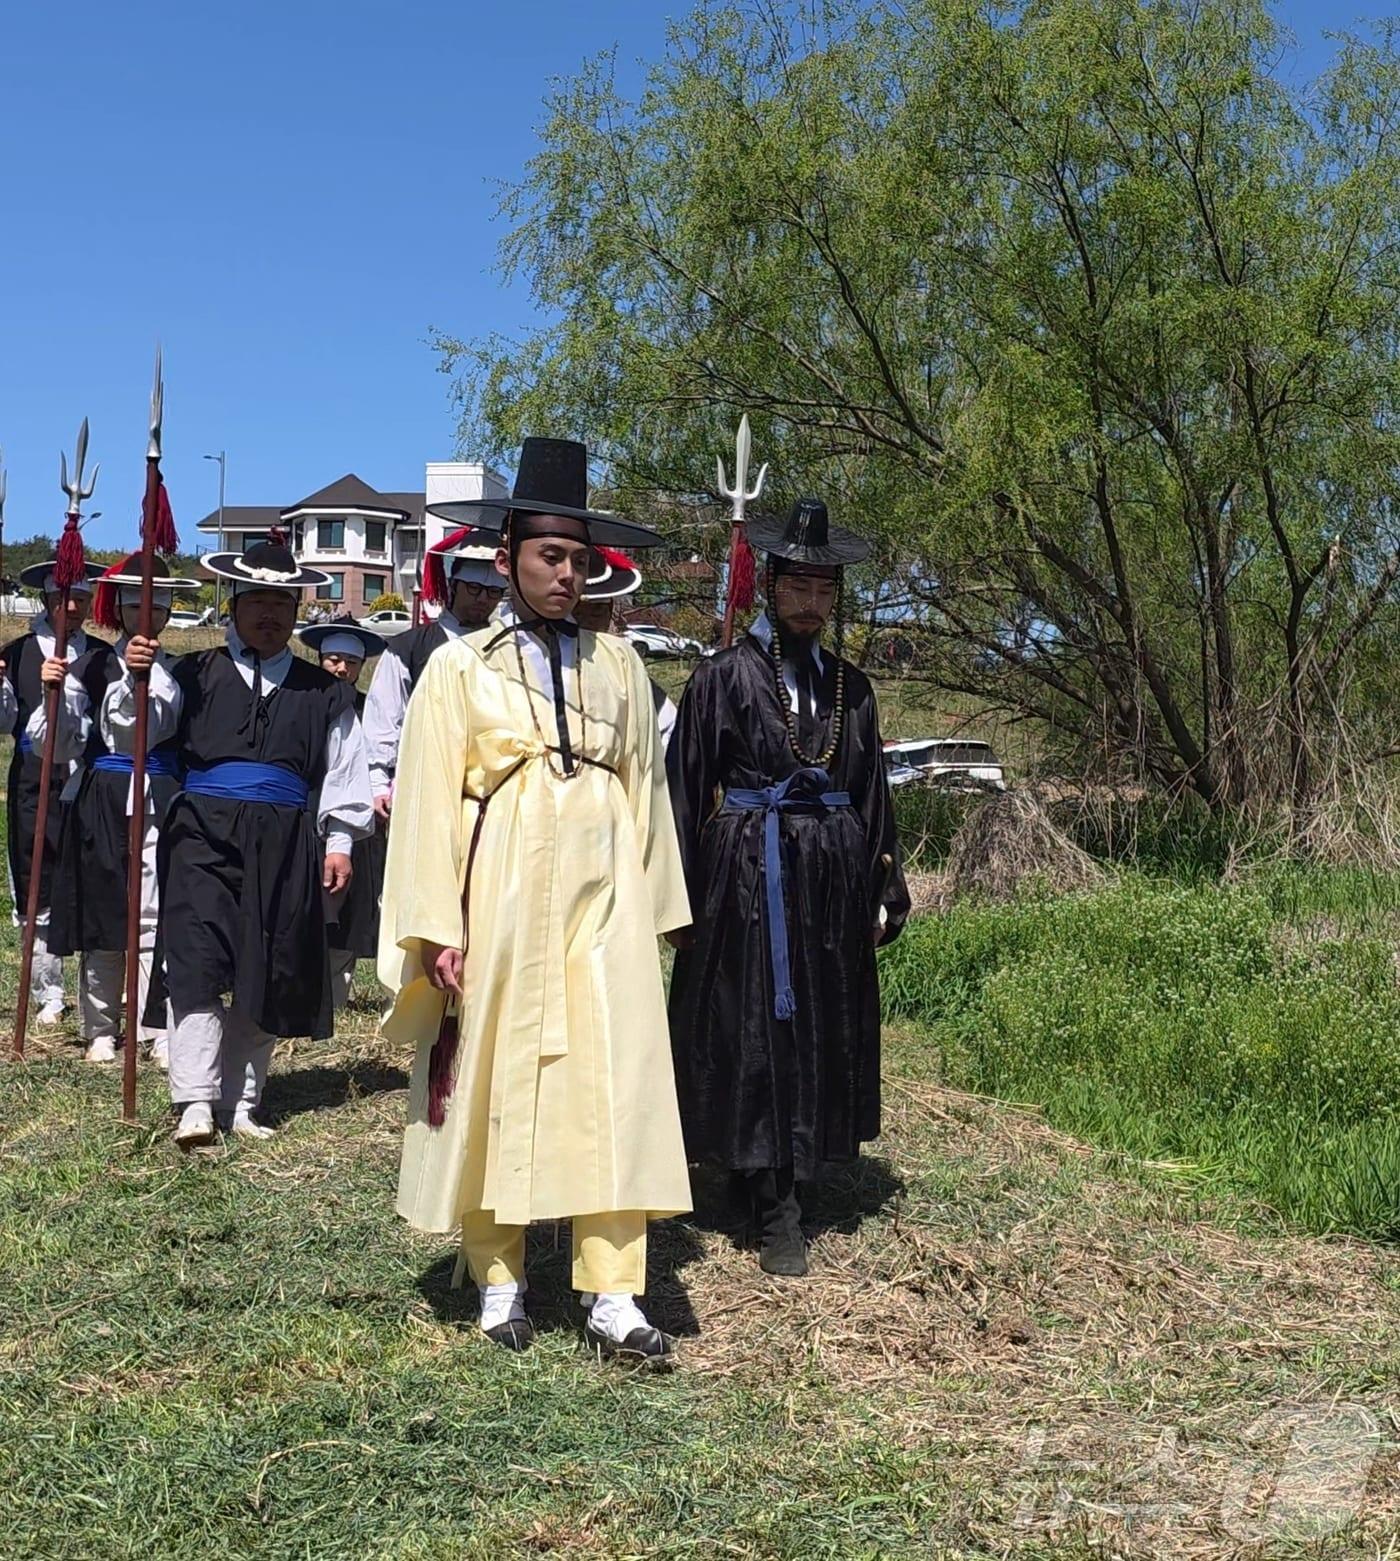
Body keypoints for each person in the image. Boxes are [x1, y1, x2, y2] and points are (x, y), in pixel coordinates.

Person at [380, 437, 692, 1362]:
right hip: (502, 892)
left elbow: (647, 787)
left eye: (579, 559)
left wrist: (656, 910)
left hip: (605, 899)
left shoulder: (622, 667)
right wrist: (438, 925)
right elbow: (431, 798)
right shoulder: (460, 668)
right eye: (549, 557)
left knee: (614, 1078)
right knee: (495, 1075)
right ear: (510, 552)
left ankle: (613, 1292)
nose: (566, 575)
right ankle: (501, 1277)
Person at [666, 498, 910, 1277]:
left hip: (831, 885)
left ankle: (790, 1169)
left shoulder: (852, 688)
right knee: (752, 1029)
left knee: (815, 1028)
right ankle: (769, 1199)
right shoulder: (723, 676)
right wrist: (677, 894)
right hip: (748, 880)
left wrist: (881, 885)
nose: (811, 603)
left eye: (825, 590)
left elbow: (872, 791)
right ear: (771, 585)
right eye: (798, 587)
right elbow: (683, 787)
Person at [135, 535, 375, 1147]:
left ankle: (241, 1101)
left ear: (296, 611)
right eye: (257, 600)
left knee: (262, 965)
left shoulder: (324, 691)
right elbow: (140, 730)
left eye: (282, 602)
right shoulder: (190, 673)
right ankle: (193, 1099)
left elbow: (346, 770)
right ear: (235, 604)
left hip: (287, 838)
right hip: (202, 836)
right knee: (195, 961)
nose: (269, 613)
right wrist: (137, 676)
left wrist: (341, 840)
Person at [44, 555, 198, 1064]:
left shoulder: (187, 671)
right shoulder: (86, 664)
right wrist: (53, 694)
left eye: (158, 605)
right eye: (136, 603)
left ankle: (154, 1023)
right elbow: (62, 744)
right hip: (105, 796)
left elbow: (177, 732)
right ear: (121, 607)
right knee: (105, 911)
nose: (147, 614)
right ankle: (101, 1025)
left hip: (163, 794)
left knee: (157, 913)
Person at [0, 560, 109, 1027]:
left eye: (82, 600)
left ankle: (98, 994)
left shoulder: (104, 657)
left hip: (87, 780)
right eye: (65, 599)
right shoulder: (18, 652)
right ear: (47, 600)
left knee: (86, 879)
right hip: (32, 779)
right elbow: (5, 722)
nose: (72, 608)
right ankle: (48, 988)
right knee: (36, 881)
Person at [362, 526, 503, 821]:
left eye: (493, 592)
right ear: (453, 586)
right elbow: (385, 718)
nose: (482, 600)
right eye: (474, 589)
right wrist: (378, 781)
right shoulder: (409, 647)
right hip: (422, 777)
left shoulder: (506, 649)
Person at [294, 613, 388, 1009]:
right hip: (306, 818)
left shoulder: (372, 710)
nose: (341, 668)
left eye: (350, 662)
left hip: (358, 825)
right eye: (333, 659)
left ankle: (334, 999)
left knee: (349, 918)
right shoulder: (300, 702)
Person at [573, 547, 678, 751]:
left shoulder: (625, 669)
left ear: (609, 611)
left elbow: (667, 731)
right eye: (576, 613)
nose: (585, 622)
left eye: (595, 613)